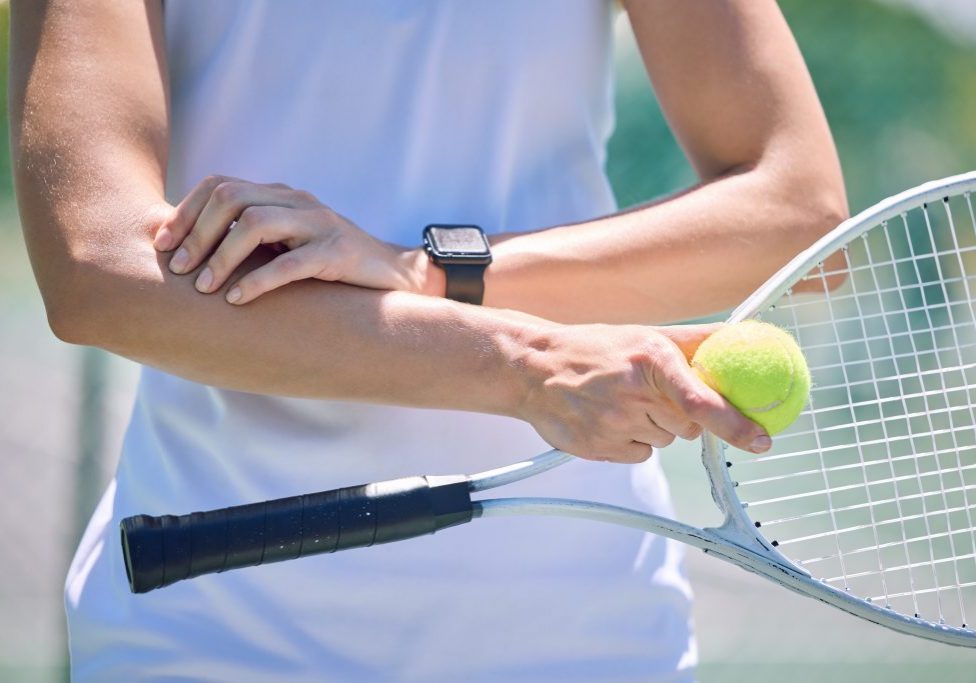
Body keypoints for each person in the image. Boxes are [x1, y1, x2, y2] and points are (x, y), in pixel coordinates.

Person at [10, 1, 847, 681]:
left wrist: (430, 273)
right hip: (211, 622)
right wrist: (521, 364)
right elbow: (97, 269)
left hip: (583, 633)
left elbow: (798, 213)